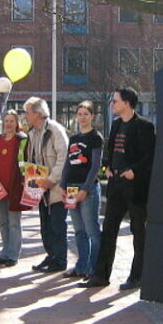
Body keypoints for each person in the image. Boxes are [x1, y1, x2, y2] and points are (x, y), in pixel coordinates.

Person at [81, 87, 155, 291]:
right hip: (116, 185)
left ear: (127, 103)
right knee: (109, 230)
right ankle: (101, 275)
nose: (112, 104)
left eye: (115, 101)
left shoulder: (144, 126)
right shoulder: (115, 125)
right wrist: (107, 167)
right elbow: (110, 149)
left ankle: (137, 276)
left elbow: (150, 157)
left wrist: (134, 171)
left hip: (135, 187)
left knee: (138, 231)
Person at [24, 96, 69, 273]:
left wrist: (52, 179)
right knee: (45, 225)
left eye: (27, 112)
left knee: (57, 225)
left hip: (57, 188)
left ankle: (60, 260)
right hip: (40, 188)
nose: (25, 115)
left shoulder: (55, 130)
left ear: (37, 113)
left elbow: (63, 158)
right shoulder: (32, 133)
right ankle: (51, 255)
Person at [60, 100, 103, 280]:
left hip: (88, 189)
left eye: (86, 114)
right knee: (78, 231)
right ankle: (81, 266)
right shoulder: (74, 138)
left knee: (92, 230)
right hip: (71, 187)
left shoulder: (95, 137)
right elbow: (68, 164)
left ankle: (94, 268)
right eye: (80, 114)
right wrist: (63, 185)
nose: (83, 117)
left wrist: (85, 189)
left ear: (92, 116)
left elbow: (95, 166)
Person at [0, 110, 28, 267]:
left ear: (17, 123)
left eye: (12, 121)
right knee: (3, 223)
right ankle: (4, 252)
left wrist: (25, 179)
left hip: (15, 186)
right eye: (6, 121)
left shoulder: (22, 140)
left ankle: (13, 254)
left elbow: (25, 161)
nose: (9, 124)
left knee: (14, 222)